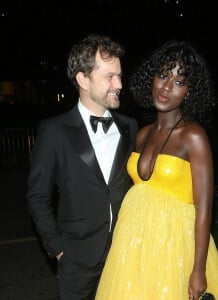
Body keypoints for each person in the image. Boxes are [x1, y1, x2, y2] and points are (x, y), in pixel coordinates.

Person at [95, 40, 218, 300]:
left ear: (190, 92)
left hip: (174, 247)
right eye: (163, 75)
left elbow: (205, 209)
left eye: (179, 82)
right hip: (135, 245)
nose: (167, 87)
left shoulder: (193, 136)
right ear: (152, 78)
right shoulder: (143, 134)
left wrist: (199, 270)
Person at [27, 34, 138, 300]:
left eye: (120, 76)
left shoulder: (130, 127)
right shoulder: (54, 131)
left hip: (123, 256)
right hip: (76, 261)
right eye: (109, 77)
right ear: (83, 80)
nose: (119, 84)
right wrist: (57, 248)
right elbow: (37, 195)